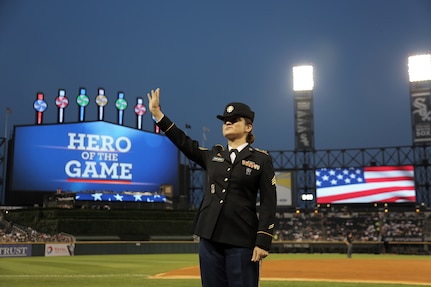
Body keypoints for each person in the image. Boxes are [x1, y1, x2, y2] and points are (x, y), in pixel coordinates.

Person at [147, 88, 277, 287]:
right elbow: (184, 142)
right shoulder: (214, 156)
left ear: (248, 127)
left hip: (241, 239)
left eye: (234, 119)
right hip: (209, 237)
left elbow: (269, 203)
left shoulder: (261, 159)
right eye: (225, 119)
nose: (228, 122)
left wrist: (263, 241)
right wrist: (158, 114)